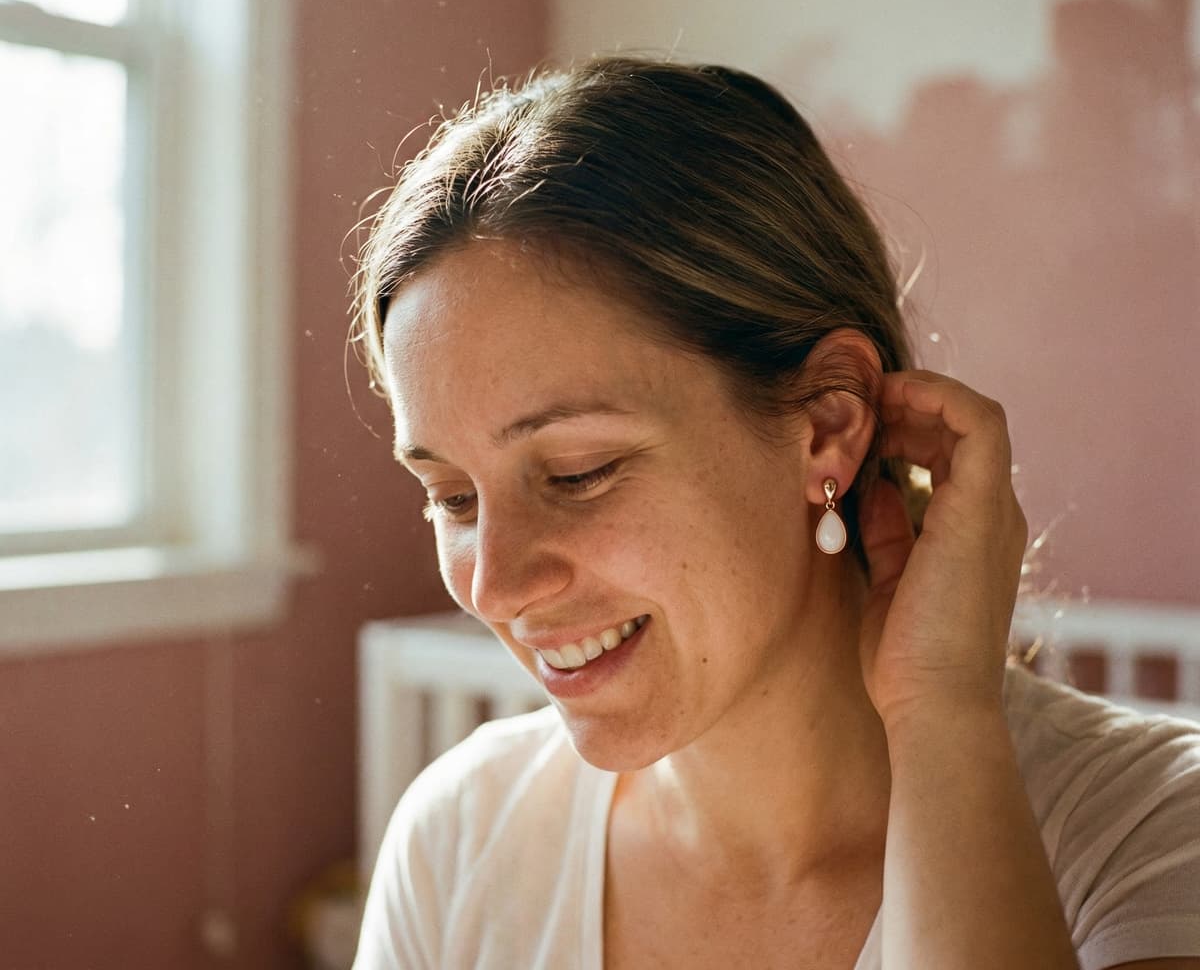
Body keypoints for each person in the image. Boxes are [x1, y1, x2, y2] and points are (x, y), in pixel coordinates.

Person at [349, 56, 1200, 969]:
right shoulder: (458, 841)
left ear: (826, 424)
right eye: (452, 496)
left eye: (578, 471)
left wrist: (941, 712)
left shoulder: (1150, 837)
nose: (497, 585)